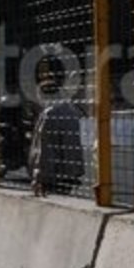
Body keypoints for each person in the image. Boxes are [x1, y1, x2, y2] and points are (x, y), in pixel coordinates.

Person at [28, 58, 83, 196]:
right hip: (72, 170)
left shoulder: (48, 115)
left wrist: (38, 176)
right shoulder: (71, 110)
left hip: (53, 174)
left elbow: (43, 150)